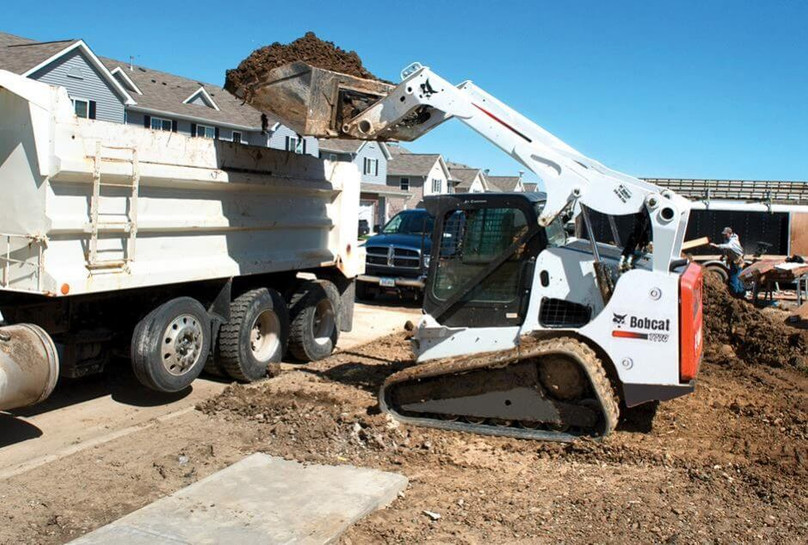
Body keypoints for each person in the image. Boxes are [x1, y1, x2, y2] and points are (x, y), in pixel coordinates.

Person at [710, 227, 745, 297]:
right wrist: (723, 256)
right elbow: (727, 249)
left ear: (729, 233)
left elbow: (729, 246)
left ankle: (735, 295)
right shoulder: (728, 239)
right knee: (738, 277)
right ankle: (740, 294)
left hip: (737, 261)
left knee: (734, 278)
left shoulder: (733, 240)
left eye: (725, 234)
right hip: (733, 261)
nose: (724, 235)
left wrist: (716, 246)